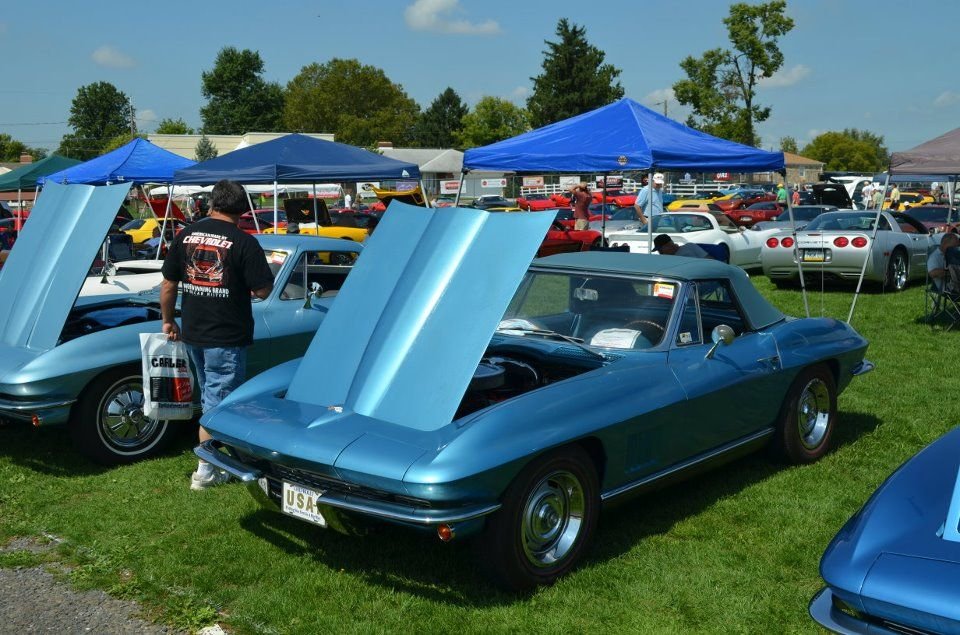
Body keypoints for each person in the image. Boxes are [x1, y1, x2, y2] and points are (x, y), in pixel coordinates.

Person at [160, 180, 275, 490]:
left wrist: (168, 321)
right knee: (219, 404)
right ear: (241, 209)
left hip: (194, 331)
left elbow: (169, 284)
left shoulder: (185, 236)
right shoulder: (244, 242)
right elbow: (264, 290)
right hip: (226, 334)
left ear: (211, 204)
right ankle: (206, 470)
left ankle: (226, 458)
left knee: (212, 394)